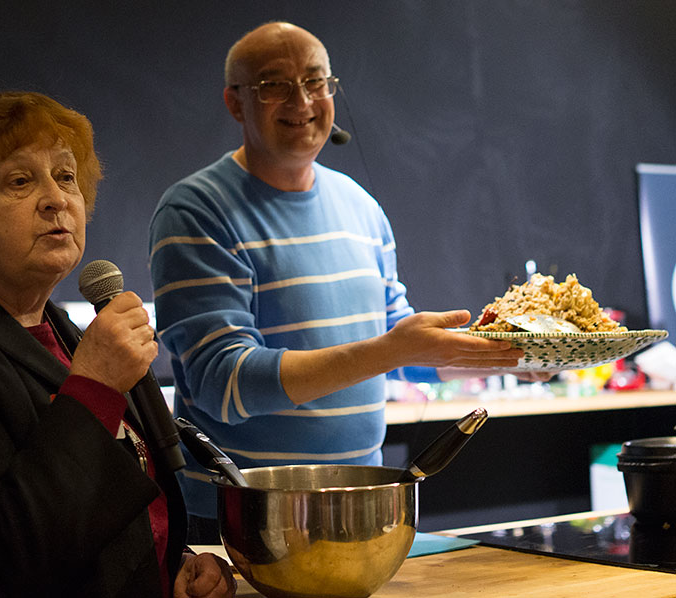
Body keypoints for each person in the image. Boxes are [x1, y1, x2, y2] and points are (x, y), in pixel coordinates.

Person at [148, 22, 535, 544]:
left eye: (316, 81)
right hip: (238, 524)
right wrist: (389, 350)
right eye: (273, 85)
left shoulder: (360, 206)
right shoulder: (195, 211)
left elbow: (398, 337)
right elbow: (224, 384)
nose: (302, 100)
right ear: (235, 104)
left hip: (358, 509)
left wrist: (513, 355)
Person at [0, 92, 235, 598]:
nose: (57, 199)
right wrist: (95, 385)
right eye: (20, 181)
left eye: (65, 177)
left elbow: (94, 503)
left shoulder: (61, 330)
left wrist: (167, 560)